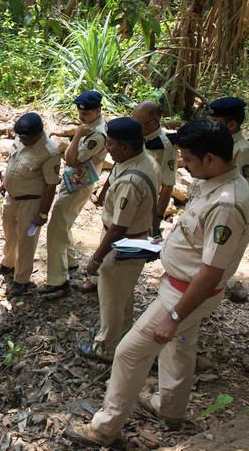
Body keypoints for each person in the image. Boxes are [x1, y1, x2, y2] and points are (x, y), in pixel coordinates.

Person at [66, 118, 249, 447]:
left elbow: (210, 270)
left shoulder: (226, 203)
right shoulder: (213, 184)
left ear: (210, 159)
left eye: (188, 158)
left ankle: (105, 428)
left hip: (185, 293)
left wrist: (175, 316)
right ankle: (171, 408)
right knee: (179, 347)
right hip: (183, 287)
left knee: (128, 353)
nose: (182, 163)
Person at [75, 117, 158, 362]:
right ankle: (121, 337)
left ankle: (106, 349)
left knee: (110, 298)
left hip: (123, 243)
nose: (107, 149)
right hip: (135, 238)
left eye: (110, 145)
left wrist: (97, 258)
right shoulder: (146, 161)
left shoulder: (131, 181)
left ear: (125, 147)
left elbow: (119, 227)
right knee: (123, 294)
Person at [42, 90, 108, 296]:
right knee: (64, 224)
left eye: (86, 114)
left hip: (80, 184)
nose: (82, 117)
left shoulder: (96, 135)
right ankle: (69, 262)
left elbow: (71, 160)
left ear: (98, 110)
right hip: (75, 180)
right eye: (80, 113)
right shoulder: (91, 126)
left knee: (55, 228)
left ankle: (58, 280)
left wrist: (78, 133)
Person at [0, 113, 61, 296]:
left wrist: (43, 213)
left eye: (26, 137)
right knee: (9, 233)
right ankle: (8, 263)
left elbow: (51, 186)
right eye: (20, 136)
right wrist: (5, 183)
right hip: (11, 198)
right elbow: (12, 162)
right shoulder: (21, 138)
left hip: (31, 202)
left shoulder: (49, 152)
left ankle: (21, 279)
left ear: (38, 134)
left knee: (26, 242)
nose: (22, 140)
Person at [133, 101, 177, 236]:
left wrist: (156, 220)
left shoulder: (165, 147)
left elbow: (168, 185)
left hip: (143, 206)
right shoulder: (136, 136)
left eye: (138, 123)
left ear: (153, 122)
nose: (134, 126)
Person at [208, 97, 249, 192]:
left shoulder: (243, 151)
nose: (209, 125)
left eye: (214, 122)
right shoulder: (219, 142)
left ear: (231, 125)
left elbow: (243, 190)